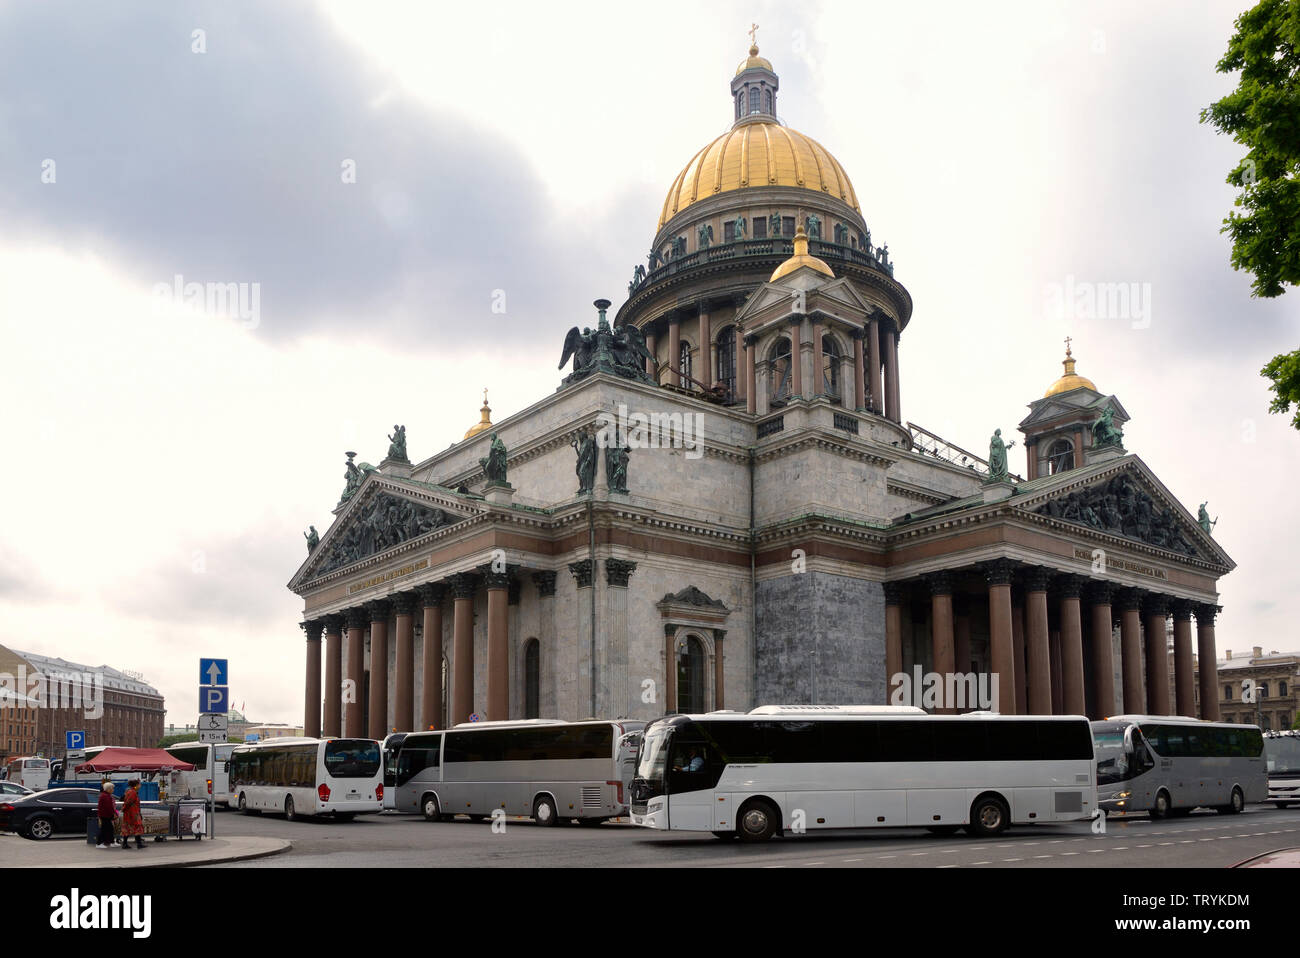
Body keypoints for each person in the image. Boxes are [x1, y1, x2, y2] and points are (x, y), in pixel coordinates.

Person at [120, 779, 145, 849]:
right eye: (139, 784)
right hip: (132, 813)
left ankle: (127, 844)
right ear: (136, 785)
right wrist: (124, 808)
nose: (140, 786)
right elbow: (128, 802)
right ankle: (138, 844)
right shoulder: (132, 792)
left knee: (128, 827)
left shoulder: (130, 791)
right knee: (137, 827)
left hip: (130, 812)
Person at [95, 781, 118, 850]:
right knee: (104, 829)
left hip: (105, 815)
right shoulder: (105, 796)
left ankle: (111, 842)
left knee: (109, 829)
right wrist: (113, 814)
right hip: (105, 815)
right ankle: (99, 843)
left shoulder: (105, 795)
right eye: (112, 788)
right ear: (108, 789)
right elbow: (108, 807)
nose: (113, 790)